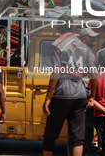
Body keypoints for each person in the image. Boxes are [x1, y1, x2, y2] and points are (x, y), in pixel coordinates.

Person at [42, 15, 97, 156]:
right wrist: (93, 97)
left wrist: (48, 98)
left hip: (62, 94)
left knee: (50, 135)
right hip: (81, 95)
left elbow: (56, 71)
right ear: (73, 27)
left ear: (58, 27)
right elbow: (94, 74)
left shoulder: (56, 45)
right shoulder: (85, 47)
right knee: (78, 138)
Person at [79, 28, 99, 156]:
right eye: (91, 37)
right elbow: (93, 74)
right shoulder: (88, 52)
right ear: (84, 38)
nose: (94, 39)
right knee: (86, 128)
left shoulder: (75, 50)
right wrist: (93, 96)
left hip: (75, 91)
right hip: (84, 92)